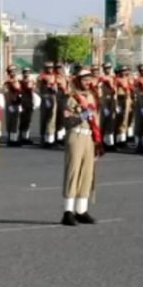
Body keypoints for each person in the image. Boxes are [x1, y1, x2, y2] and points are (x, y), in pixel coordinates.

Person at [60, 68, 101, 225]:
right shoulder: (72, 98)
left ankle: (81, 210)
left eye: (89, 79)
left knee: (87, 173)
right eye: (84, 79)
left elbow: (96, 119)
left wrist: (97, 140)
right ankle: (68, 211)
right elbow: (67, 120)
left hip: (89, 137)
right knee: (73, 172)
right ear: (78, 81)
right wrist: (82, 115)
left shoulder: (92, 96)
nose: (87, 82)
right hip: (76, 135)